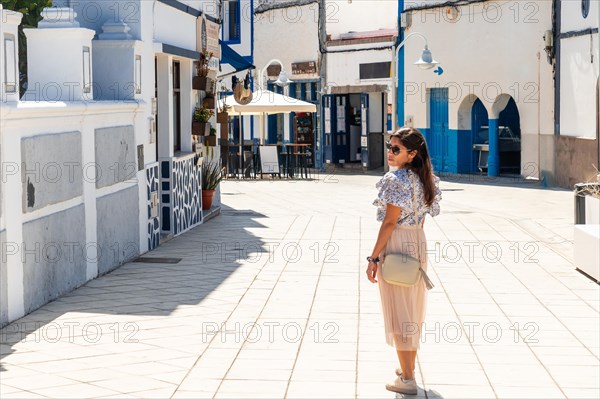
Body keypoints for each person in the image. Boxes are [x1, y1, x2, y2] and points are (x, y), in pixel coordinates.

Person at [366, 127, 441, 395]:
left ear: (412, 153)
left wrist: (374, 257)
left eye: (396, 149)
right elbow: (422, 220)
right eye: (389, 146)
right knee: (411, 310)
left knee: (399, 313)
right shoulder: (428, 179)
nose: (390, 152)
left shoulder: (394, 179)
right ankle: (406, 367)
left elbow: (389, 223)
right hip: (417, 242)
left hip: (397, 242)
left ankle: (408, 379)